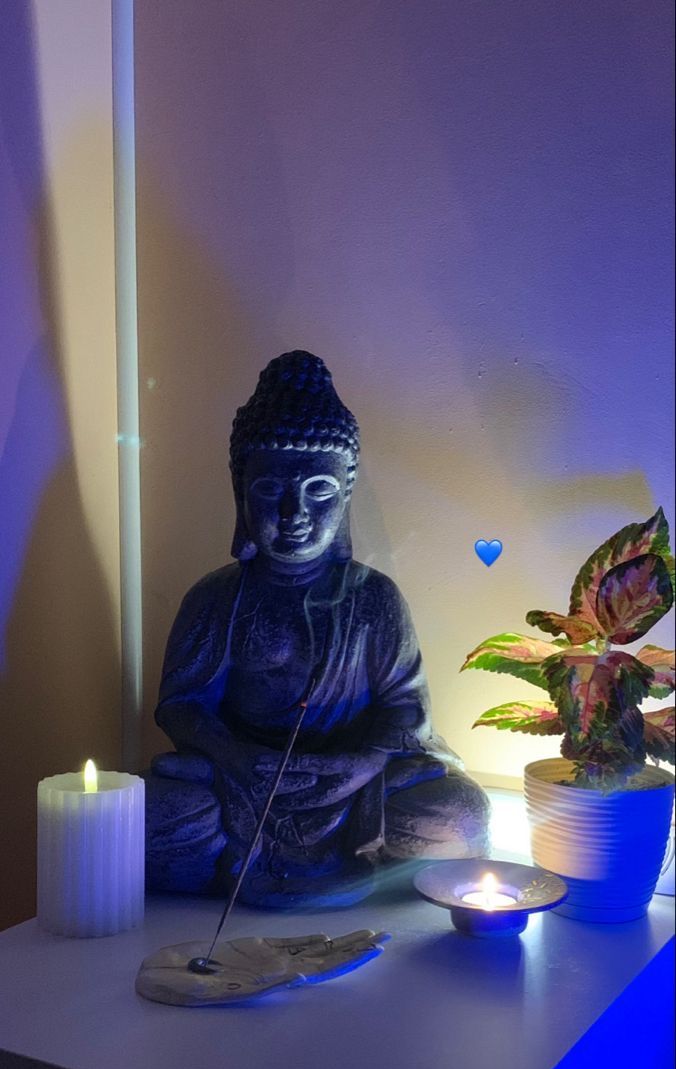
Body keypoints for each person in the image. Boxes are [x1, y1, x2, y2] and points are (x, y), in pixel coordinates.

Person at [145, 351, 490, 907]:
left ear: (345, 494)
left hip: (352, 786)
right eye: (269, 490)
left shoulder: (375, 598)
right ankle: (218, 865)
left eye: (318, 491)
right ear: (241, 493)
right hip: (243, 780)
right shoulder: (216, 598)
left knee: (461, 815)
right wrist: (233, 756)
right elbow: (180, 705)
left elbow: (406, 708)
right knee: (150, 811)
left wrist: (362, 764)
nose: (293, 512)